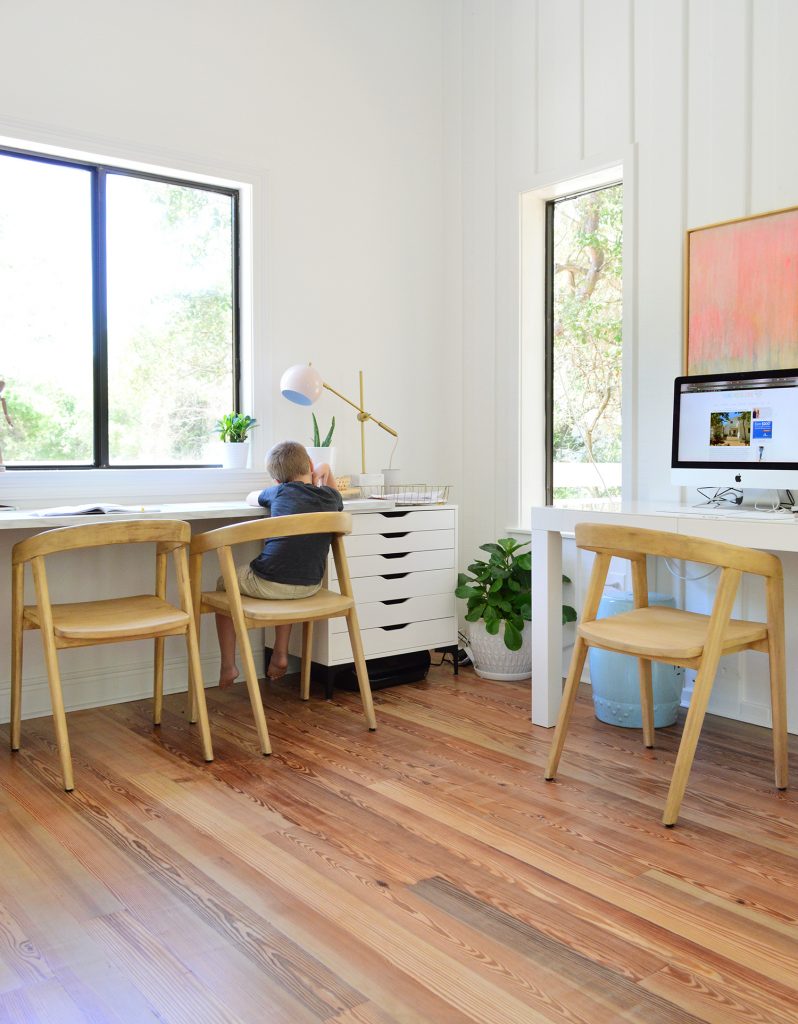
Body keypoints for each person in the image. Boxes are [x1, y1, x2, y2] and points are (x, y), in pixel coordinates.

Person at [216, 439, 343, 688]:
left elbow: (252, 498)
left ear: (275, 480)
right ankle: (281, 652)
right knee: (288, 577)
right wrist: (325, 469)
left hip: (271, 583)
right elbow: (337, 495)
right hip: (310, 585)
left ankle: (228, 665)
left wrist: (271, 489)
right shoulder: (329, 497)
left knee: (224, 583)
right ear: (309, 464)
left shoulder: (279, 492)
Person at [0, 379, 14, 469]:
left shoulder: (2, 399)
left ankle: (1, 464)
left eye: (2, 388)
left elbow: (6, 414)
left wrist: (9, 422)